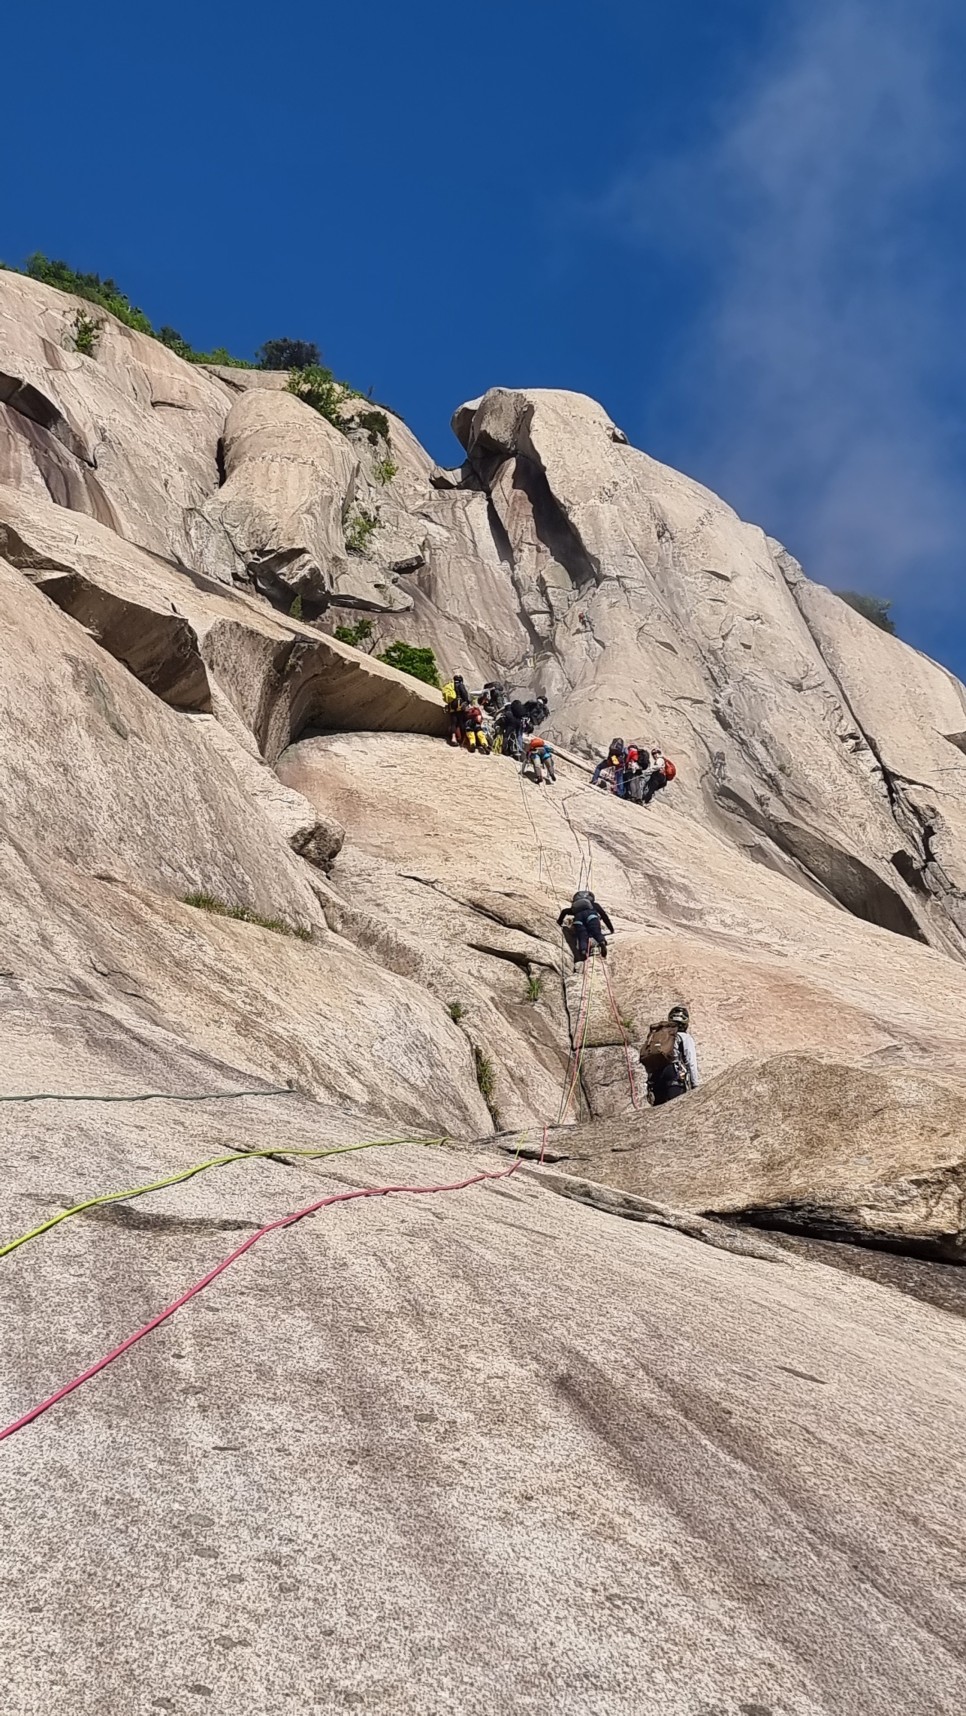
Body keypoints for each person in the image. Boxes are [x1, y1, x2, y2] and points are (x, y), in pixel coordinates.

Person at [640, 1005, 700, 1104]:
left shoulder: (660, 1036)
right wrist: (695, 1085)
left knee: (659, 1111)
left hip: (657, 1076)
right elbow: (691, 1062)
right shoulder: (685, 1038)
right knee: (676, 1108)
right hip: (674, 1074)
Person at [557, 890, 614, 965]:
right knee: (596, 932)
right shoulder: (593, 905)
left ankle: (583, 951)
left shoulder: (575, 908)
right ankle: (601, 942)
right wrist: (611, 928)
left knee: (582, 937)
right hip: (592, 917)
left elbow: (564, 911)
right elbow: (604, 916)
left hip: (578, 920)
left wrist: (559, 922)